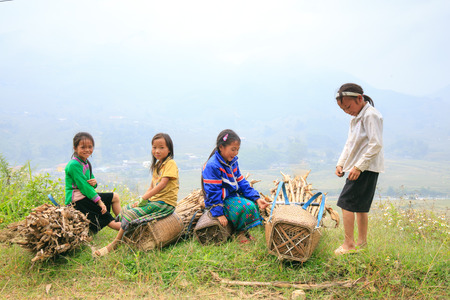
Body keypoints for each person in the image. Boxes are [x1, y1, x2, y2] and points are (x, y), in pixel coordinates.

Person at [95, 133, 179, 256]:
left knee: (130, 215)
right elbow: (152, 186)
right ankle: (127, 231)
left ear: (169, 149)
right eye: (154, 147)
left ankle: (114, 244)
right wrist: (141, 201)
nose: (157, 151)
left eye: (161, 147)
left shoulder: (170, 163)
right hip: (154, 201)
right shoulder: (157, 165)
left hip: (164, 203)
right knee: (125, 209)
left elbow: (162, 184)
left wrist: (145, 198)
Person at [334, 83, 384, 255]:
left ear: (360, 99)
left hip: (366, 168)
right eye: (344, 109)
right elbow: (350, 144)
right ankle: (362, 244)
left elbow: (376, 144)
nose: (347, 111)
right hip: (358, 167)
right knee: (361, 207)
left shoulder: (371, 115)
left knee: (345, 203)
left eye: (349, 106)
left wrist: (359, 167)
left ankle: (349, 244)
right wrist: (341, 163)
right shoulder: (355, 118)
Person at [202, 129, 270, 243]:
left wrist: (256, 198)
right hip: (220, 200)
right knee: (245, 207)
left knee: (252, 203)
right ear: (221, 147)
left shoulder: (232, 161)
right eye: (233, 149)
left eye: (237, 150)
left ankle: (244, 231)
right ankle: (239, 234)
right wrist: (218, 213)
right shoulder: (212, 166)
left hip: (231, 196)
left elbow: (241, 181)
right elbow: (213, 191)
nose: (235, 153)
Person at [65, 132, 121, 233]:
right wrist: (99, 201)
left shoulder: (86, 162)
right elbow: (84, 187)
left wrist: (95, 183)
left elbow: (92, 183)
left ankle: (124, 221)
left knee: (115, 197)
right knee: (110, 220)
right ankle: (130, 229)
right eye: (83, 147)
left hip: (85, 195)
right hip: (78, 200)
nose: (87, 150)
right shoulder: (74, 165)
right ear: (75, 148)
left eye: (90, 147)